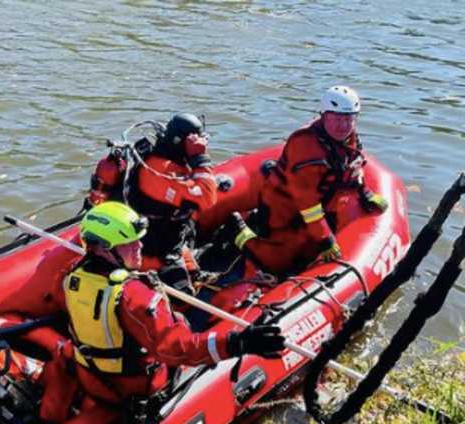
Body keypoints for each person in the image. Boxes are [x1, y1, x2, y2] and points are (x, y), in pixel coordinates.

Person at [63, 201, 285, 405]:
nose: (140, 245)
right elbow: (177, 350)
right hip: (133, 386)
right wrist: (238, 343)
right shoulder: (132, 296)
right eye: (129, 243)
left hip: (92, 374)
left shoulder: (72, 275)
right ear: (103, 248)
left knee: (176, 317)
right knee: (192, 318)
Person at [226, 85, 389, 275]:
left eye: (348, 119)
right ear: (324, 115)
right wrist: (326, 239)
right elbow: (306, 203)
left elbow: (353, 166)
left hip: (321, 205)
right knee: (275, 262)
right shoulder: (306, 146)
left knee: (310, 251)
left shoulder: (347, 137)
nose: (343, 125)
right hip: (285, 208)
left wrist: (365, 193)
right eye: (337, 118)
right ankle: (238, 231)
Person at [87, 114, 219, 293]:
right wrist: (200, 158)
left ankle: (192, 273)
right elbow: (207, 198)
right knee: (184, 300)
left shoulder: (159, 159)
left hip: (167, 241)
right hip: (152, 252)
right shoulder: (163, 172)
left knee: (190, 263)